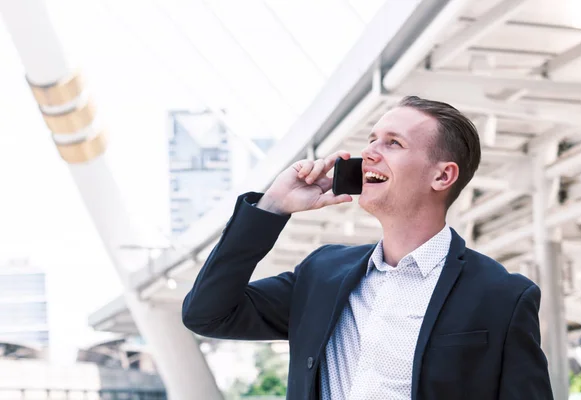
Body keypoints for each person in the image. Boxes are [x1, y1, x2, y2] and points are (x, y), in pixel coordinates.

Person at [182, 96, 553, 400]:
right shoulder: (322, 274)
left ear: (442, 175)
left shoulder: (502, 296)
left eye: (394, 143)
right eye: (373, 140)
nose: (370, 152)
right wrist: (272, 208)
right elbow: (207, 314)